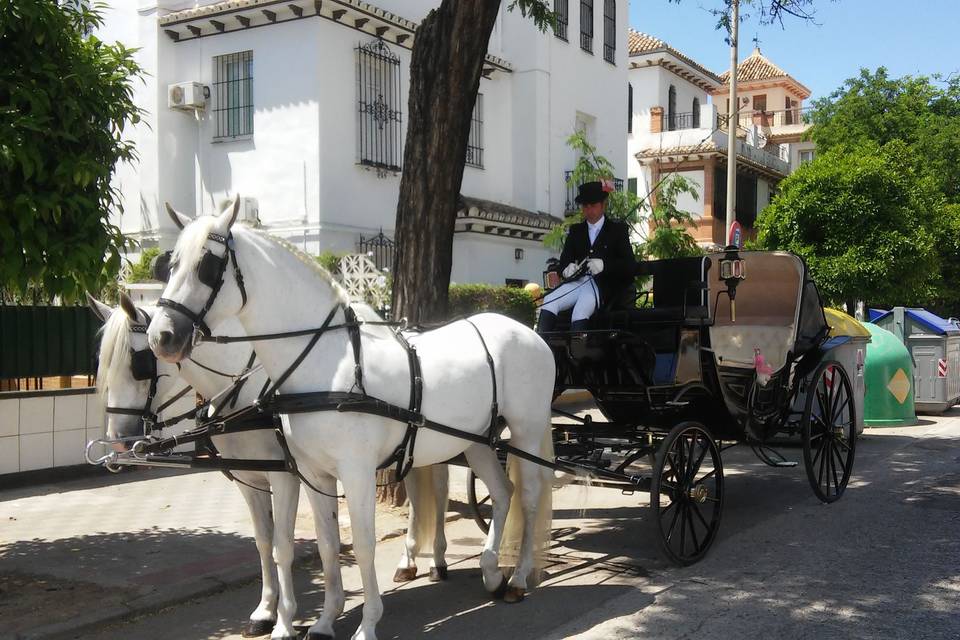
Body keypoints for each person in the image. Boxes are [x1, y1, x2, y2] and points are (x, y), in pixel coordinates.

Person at [538, 180, 636, 333]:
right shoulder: (576, 231)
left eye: (593, 206)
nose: (589, 211)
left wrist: (605, 265)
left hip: (602, 286)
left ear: (603, 205)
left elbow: (629, 265)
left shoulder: (617, 230)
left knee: (580, 311)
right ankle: (542, 345)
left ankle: (578, 355)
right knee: (549, 301)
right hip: (578, 282)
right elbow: (565, 260)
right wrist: (566, 269)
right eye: (585, 206)